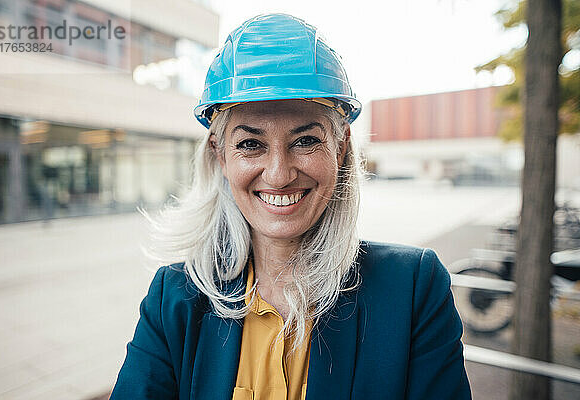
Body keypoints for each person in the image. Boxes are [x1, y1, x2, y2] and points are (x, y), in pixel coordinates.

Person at [111, 13, 471, 400]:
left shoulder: (412, 289)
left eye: (305, 141)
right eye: (251, 144)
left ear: (341, 146)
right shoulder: (175, 299)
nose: (279, 174)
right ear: (220, 155)